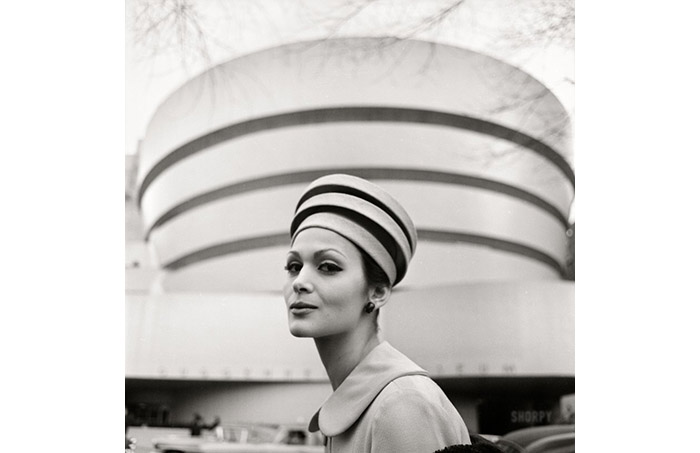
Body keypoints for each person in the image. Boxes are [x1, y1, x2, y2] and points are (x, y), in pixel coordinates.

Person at [284, 174, 471, 452]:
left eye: (328, 266)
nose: (299, 282)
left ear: (378, 291)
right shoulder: (376, 400)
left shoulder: (400, 405)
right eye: (294, 266)